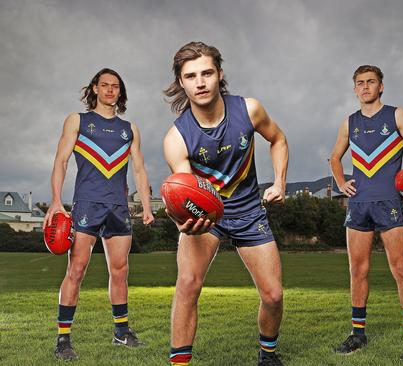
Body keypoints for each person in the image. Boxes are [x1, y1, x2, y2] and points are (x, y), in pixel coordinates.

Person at [162, 41, 288, 366]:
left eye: (207, 73)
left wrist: (279, 181)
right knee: (188, 284)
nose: (200, 82)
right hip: (208, 216)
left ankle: (268, 355)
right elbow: (185, 191)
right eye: (191, 76)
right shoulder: (176, 139)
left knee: (273, 295)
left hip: (249, 210)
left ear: (219, 74)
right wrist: (182, 221)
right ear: (181, 82)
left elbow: (278, 139)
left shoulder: (249, 110)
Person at [43, 68, 155, 361]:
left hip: (118, 208)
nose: (109, 90)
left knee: (120, 272)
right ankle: (63, 339)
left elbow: (140, 170)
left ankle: (121, 332)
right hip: (87, 205)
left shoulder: (129, 129)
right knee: (76, 270)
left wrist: (145, 205)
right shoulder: (78, 121)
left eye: (114, 86)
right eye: (103, 85)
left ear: (120, 92)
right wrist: (56, 201)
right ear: (94, 88)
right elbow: (61, 160)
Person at [329, 65, 403, 361]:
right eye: (360, 83)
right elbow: (335, 157)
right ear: (355, 89)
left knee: (400, 269)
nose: (365, 87)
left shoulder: (397, 115)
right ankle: (357, 334)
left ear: (381, 86)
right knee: (357, 270)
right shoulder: (349, 122)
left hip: (389, 202)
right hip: (358, 204)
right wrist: (340, 182)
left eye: (371, 82)